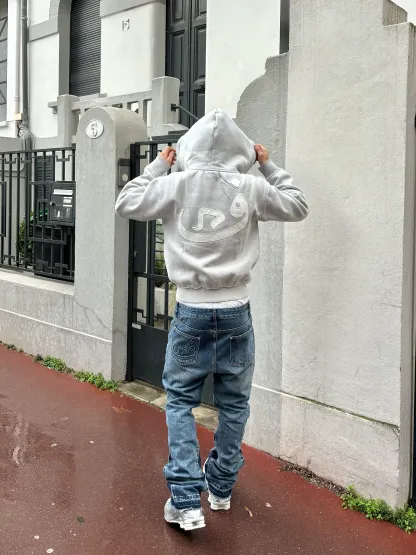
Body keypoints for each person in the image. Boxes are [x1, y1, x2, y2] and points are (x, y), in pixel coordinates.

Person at [115, 108, 308, 531]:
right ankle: (220, 487)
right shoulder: (250, 186)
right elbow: (297, 206)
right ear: (241, 150)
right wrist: (267, 165)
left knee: (180, 401)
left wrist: (158, 166)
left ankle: (186, 501)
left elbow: (126, 201)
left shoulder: (176, 184)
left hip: (191, 311)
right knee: (234, 403)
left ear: (190, 148)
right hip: (237, 311)